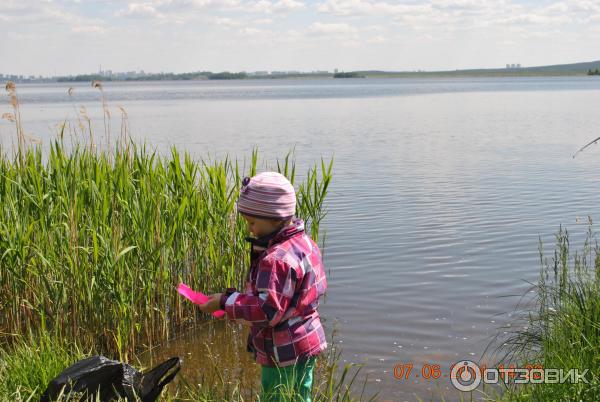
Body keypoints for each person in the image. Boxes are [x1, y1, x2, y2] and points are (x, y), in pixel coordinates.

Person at [199, 171, 328, 401]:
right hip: (308, 341)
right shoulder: (305, 243)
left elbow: (266, 311)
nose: (249, 229)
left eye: (252, 222)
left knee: (275, 396)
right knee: (301, 395)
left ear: (275, 218)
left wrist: (225, 302)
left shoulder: (275, 259)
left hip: (283, 351)